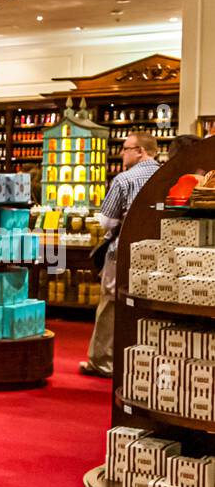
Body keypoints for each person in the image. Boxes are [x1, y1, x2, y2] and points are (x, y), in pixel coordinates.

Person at [80, 131, 160, 377]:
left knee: (111, 302)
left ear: (140, 151)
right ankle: (143, 360)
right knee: (148, 305)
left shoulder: (124, 180)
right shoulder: (166, 175)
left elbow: (105, 221)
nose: (122, 153)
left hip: (122, 251)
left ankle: (103, 361)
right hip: (158, 251)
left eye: (126, 148)